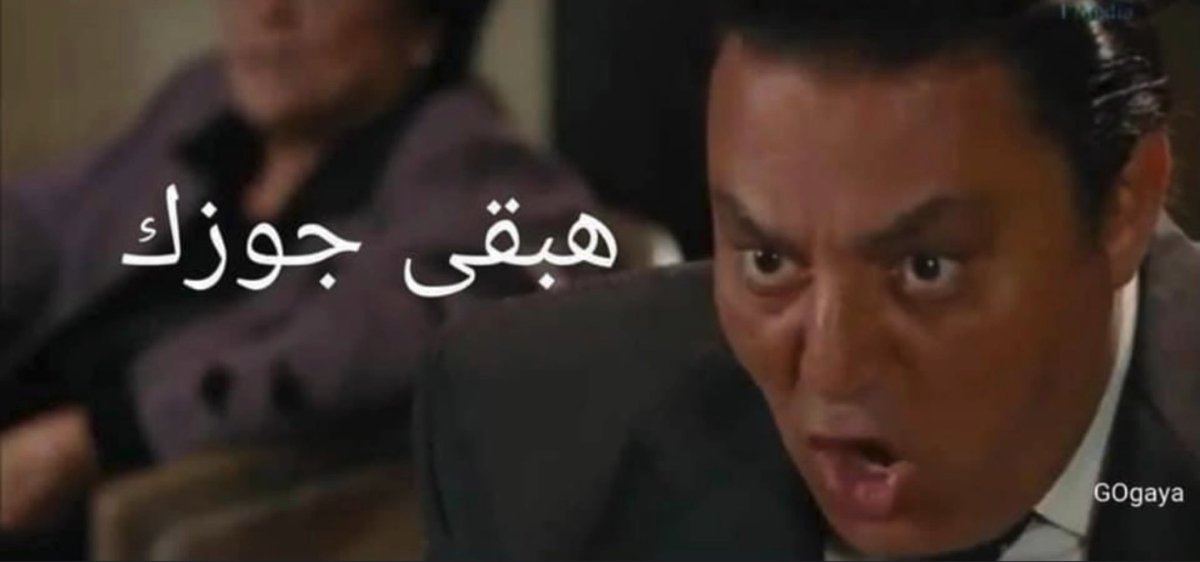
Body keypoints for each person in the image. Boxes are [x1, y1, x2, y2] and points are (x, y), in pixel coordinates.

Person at [416, 0, 1199, 559]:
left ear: (1123, 206)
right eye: (769, 262)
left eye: (926, 270)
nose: (832, 368)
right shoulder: (531, 439)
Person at [0, 0, 603, 556]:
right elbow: (44, 220)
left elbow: (361, 344)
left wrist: (106, 435)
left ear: (425, 28)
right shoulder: (203, 104)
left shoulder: (475, 168)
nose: (268, 12)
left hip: (94, 497)